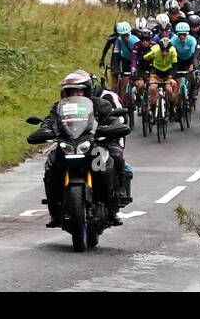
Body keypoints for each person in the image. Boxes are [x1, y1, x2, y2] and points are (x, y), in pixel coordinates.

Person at [29, 70, 127, 227]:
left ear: (87, 91)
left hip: (95, 144)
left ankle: (113, 205)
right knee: (51, 165)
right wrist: (44, 131)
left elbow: (112, 119)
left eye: (78, 91)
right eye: (71, 91)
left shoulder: (100, 105)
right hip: (68, 144)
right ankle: (54, 210)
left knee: (113, 160)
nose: (75, 94)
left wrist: (112, 128)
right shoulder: (59, 107)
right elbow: (50, 121)